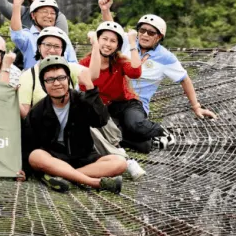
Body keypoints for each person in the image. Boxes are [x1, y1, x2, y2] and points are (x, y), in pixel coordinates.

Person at [98, 0, 217, 120]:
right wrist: (105, 10)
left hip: (136, 105)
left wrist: (196, 107)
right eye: (142, 30)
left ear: (159, 37)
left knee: (132, 127)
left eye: (151, 33)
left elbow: (184, 79)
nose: (145, 35)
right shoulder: (130, 41)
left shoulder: (165, 58)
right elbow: (112, 30)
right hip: (111, 98)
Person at [22, 56, 126, 193]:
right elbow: (28, 143)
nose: (56, 83)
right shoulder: (38, 110)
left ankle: (62, 176)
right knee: (35, 156)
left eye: (61, 78)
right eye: (50, 80)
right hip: (55, 158)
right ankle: (94, 182)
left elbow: (100, 120)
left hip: (83, 157)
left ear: (69, 79)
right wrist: (24, 169)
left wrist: (90, 88)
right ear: (43, 84)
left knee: (120, 162)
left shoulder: (81, 99)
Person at [81, 21, 173, 153]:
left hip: (126, 104)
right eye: (104, 39)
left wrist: (132, 43)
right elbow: (85, 85)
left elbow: (135, 73)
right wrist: (95, 46)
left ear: (118, 45)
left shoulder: (120, 61)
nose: (107, 44)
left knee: (134, 125)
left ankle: (162, 131)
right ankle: (149, 142)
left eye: (113, 41)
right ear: (97, 40)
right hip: (105, 109)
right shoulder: (85, 63)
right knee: (136, 143)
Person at [17, 26, 86, 118]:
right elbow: (26, 114)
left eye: (57, 46)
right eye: (48, 45)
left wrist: (97, 45)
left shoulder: (70, 68)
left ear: (62, 50)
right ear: (39, 46)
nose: (52, 50)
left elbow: (93, 74)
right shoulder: (28, 76)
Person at [10, 0, 76, 70]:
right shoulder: (28, 36)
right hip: (34, 80)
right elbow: (17, 34)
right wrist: (17, 5)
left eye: (53, 13)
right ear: (33, 15)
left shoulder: (62, 36)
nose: (49, 16)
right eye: (45, 12)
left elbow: (73, 63)